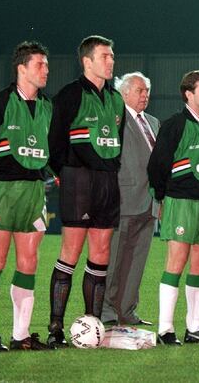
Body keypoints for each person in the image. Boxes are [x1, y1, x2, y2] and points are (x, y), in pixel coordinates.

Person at [0, 41, 52, 351]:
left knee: (29, 261)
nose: (46, 70)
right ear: (22, 68)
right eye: (40, 65)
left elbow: (56, 148)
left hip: (33, 190)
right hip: (2, 189)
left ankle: (22, 336)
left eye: (46, 65)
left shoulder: (49, 106)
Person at [46, 35, 124, 347]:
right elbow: (55, 143)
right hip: (79, 180)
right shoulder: (69, 95)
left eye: (112, 56)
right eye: (104, 56)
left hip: (107, 181)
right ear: (87, 61)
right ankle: (55, 329)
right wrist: (66, 172)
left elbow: (118, 141)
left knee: (101, 252)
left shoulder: (116, 99)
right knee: (71, 252)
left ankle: (92, 328)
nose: (110, 61)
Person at [148, 70, 199, 345]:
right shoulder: (174, 125)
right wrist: (162, 197)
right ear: (188, 94)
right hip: (181, 201)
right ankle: (166, 329)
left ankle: (195, 328)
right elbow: (157, 165)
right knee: (176, 263)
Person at [101, 72, 159, 327]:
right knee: (114, 260)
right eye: (139, 90)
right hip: (123, 200)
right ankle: (106, 312)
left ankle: (127, 311)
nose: (144, 95)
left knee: (136, 262)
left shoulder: (154, 123)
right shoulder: (115, 119)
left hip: (149, 203)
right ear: (123, 93)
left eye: (146, 90)